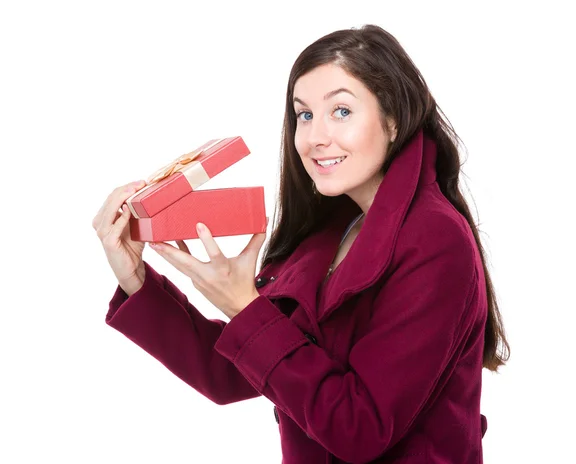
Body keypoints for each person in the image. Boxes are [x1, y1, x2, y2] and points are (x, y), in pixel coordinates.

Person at [92, 24, 510, 464]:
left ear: (392, 120)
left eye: (342, 111)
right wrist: (137, 280)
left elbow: (359, 429)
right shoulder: (332, 232)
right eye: (304, 115)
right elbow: (228, 374)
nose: (314, 138)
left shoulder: (436, 240)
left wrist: (244, 308)